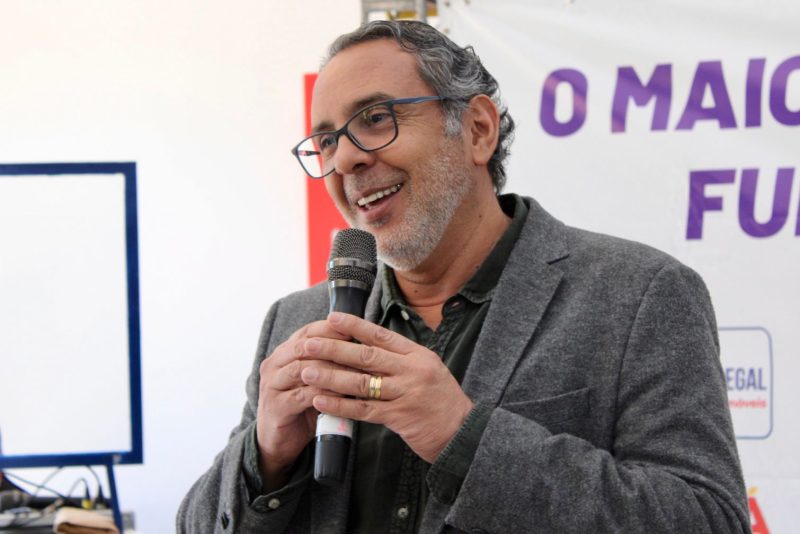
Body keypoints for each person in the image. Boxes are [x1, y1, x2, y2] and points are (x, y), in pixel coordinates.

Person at [178, 20, 749, 533]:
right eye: (327, 141)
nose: (345, 160)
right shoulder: (296, 321)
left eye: (375, 119)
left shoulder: (639, 294)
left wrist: (465, 438)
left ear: (477, 129)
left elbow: (708, 519)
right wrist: (265, 454)